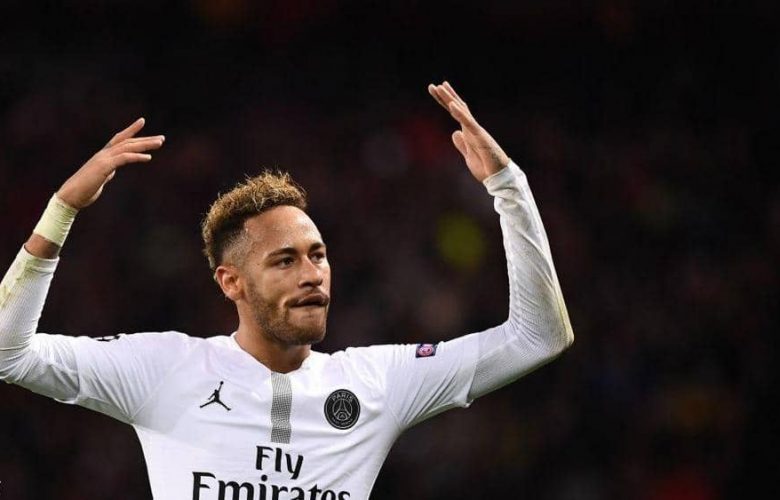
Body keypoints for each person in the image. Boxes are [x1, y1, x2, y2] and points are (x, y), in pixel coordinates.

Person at [0, 82, 573, 500]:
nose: (312, 274)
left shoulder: (376, 384)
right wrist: (62, 210)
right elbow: (9, 353)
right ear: (231, 282)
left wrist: (509, 188)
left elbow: (538, 338)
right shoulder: (165, 370)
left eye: (318, 255)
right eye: (285, 260)